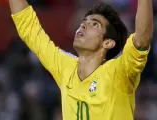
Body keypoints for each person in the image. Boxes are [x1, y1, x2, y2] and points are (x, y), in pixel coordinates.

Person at [9, 0, 153, 120]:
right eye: (84, 21)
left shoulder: (119, 73)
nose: (83, 25)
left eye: (94, 24)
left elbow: (141, 41)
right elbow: (28, 27)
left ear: (108, 43)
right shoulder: (65, 67)